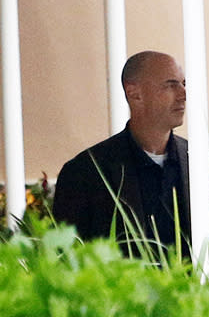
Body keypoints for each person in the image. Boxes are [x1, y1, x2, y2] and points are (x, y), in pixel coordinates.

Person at [53, 51, 189, 257]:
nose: (183, 94)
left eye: (183, 84)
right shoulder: (86, 173)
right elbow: (66, 257)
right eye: (170, 85)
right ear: (134, 93)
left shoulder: (204, 166)